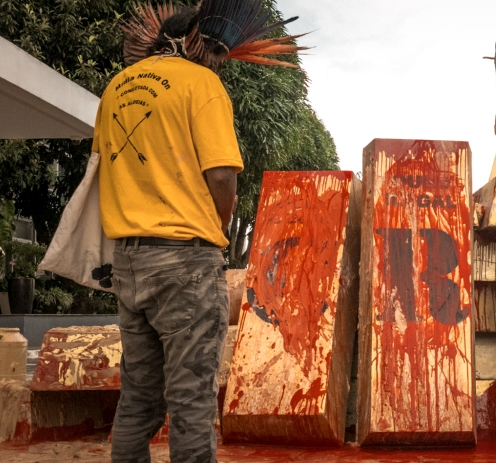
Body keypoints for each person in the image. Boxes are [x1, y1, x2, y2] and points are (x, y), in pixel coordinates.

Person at [94, 2, 303, 461]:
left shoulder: (116, 88)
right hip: (184, 260)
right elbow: (223, 175)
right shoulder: (200, 84)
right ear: (196, 43)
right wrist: (218, 227)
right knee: (190, 400)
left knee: (138, 397)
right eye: (218, 54)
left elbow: (107, 167)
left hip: (128, 261)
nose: (219, 65)